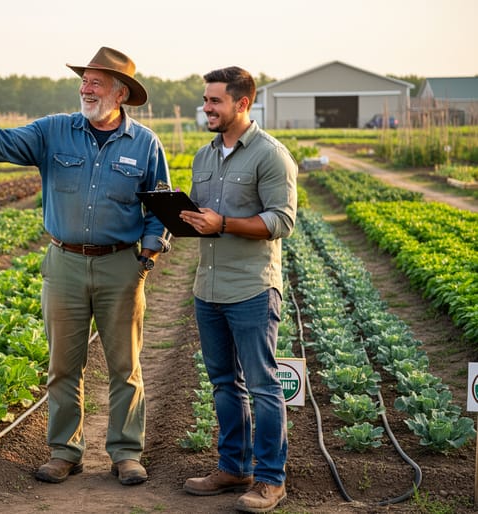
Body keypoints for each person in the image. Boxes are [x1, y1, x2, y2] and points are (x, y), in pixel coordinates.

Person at [0, 46, 171, 486]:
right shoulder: (54, 131)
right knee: (63, 365)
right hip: (65, 263)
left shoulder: (145, 143)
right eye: (84, 80)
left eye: (96, 82)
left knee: (124, 366)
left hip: (120, 267)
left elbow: (160, 206)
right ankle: (63, 451)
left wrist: (147, 255)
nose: (85, 89)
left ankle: (126, 453)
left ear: (121, 93)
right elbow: (2, 142)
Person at [177, 66, 297, 513]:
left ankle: (270, 480)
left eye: (214, 101)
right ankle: (233, 467)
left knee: (264, 387)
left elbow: (281, 221)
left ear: (242, 103)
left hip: (251, 289)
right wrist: (181, 217)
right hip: (207, 287)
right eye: (205, 100)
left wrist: (223, 223)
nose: (206, 108)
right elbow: (203, 215)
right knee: (224, 384)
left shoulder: (271, 155)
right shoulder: (205, 156)